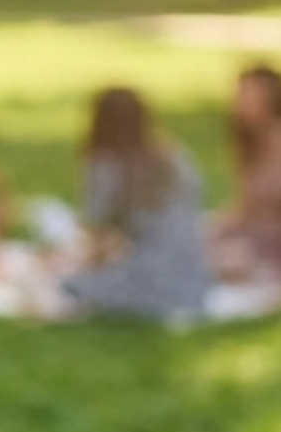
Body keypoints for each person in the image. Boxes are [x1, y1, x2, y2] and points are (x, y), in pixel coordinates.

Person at [60, 86, 210, 323]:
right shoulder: (174, 155)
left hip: (149, 285)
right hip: (196, 280)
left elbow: (96, 240)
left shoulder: (106, 164)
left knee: (66, 285)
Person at [211, 63, 281, 283]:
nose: (239, 102)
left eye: (249, 94)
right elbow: (245, 208)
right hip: (253, 238)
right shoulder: (248, 145)